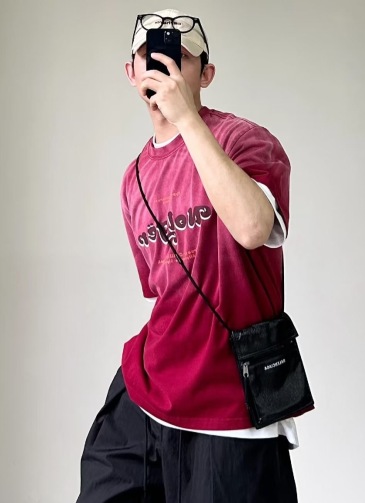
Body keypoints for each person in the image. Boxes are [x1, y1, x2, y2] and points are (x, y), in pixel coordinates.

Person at [76, 8, 300, 503]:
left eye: (180, 57)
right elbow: (161, 291)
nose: (164, 67)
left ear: (207, 74)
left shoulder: (243, 139)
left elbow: (253, 228)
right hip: (148, 388)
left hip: (228, 403)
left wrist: (186, 120)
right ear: (131, 72)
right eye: (151, 55)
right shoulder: (133, 178)